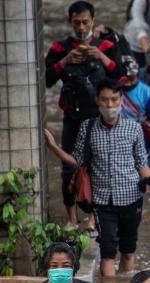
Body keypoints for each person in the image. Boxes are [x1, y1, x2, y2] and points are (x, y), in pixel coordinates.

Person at [44, 79, 150, 277]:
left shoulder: (134, 128)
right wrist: (54, 147)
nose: (109, 105)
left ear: (121, 100)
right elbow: (77, 160)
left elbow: (141, 162)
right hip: (102, 201)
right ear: (97, 100)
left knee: (128, 251)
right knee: (107, 252)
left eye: (114, 100)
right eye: (105, 100)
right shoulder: (87, 128)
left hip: (131, 199)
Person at [43, 1, 123, 230]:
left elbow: (120, 75)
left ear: (93, 21)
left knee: (98, 166)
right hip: (72, 116)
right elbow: (47, 80)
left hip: (99, 119)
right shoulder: (60, 48)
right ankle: (71, 217)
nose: (80, 27)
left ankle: (93, 218)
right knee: (68, 168)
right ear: (70, 22)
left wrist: (100, 57)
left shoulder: (106, 45)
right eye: (76, 22)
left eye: (85, 22)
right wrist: (65, 62)